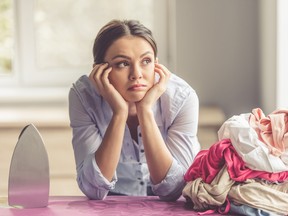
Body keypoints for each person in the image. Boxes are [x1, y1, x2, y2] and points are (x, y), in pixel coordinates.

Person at [68, 19, 200, 201]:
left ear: (156, 64)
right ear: (100, 71)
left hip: (168, 204)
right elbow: (93, 190)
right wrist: (119, 113)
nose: (136, 74)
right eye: (122, 63)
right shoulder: (84, 97)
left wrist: (145, 111)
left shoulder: (182, 98)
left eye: (146, 61)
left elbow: (174, 190)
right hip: (112, 199)